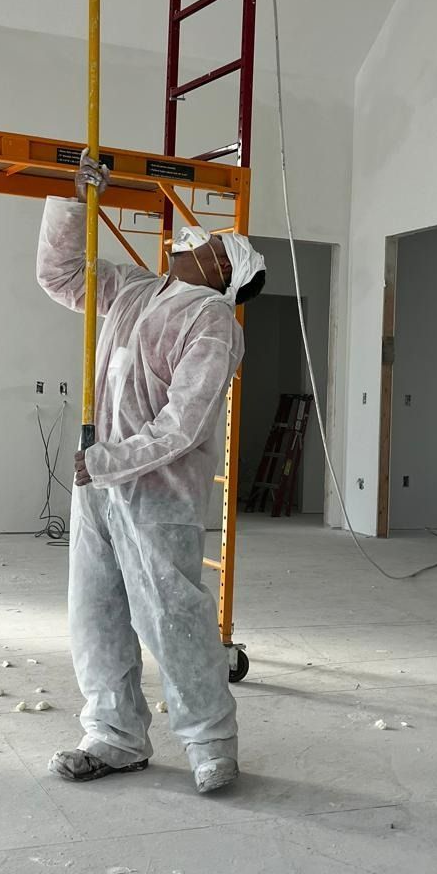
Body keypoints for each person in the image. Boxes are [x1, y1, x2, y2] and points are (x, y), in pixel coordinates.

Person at [36, 153, 266, 794]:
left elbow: (183, 423)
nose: (196, 237)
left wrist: (107, 461)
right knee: (96, 613)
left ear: (226, 268)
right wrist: (79, 200)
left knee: (172, 617)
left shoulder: (211, 318)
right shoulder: (134, 291)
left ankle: (211, 743)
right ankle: (113, 737)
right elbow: (60, 274)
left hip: (157, 493)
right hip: (100, 487)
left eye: (214, 241)